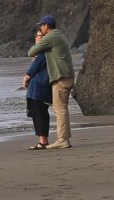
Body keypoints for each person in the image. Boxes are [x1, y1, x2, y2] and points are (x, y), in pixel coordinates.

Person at [27, 14, 76, 149]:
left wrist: (39, 44)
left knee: (59, 109)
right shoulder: (59, 35)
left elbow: (31, 52)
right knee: (62, 108)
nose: (41, 29)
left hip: (61, 77)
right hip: (67, 76)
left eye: (41, 26)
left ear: (46, 26)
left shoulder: (50, 37)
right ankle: (64, 138)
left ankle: (62, 140)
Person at [22, 25, 51, 150]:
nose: (35, 38)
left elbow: (33, 68)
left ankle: (42, 140)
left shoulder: (42, 52)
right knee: (42, 113)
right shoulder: (46, 52)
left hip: (38, 87)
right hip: (43, 86)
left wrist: (26, 77)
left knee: (38, 113)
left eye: (38, 36)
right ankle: (44, 140)